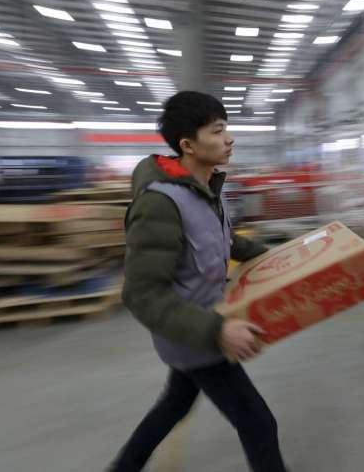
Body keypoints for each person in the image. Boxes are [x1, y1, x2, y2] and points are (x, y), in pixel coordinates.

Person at [109, 91, 288, 472]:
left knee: (174, 405)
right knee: (258, 423)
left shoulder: (205, 188)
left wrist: (278, 255)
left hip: (200, 327)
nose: (229, 138)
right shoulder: (160, 203)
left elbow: (225, 241)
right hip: (196, 335)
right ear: (188, 144)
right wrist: (217, 330)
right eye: (218, 130)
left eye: (227, 129)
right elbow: (141, 293)